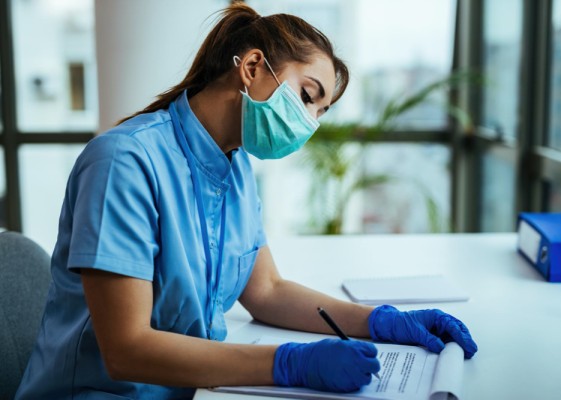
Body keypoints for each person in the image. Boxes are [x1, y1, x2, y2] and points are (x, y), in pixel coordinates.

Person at [16, 3, 478, 399]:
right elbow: (126, 349)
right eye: (307, 96)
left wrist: (380, 321)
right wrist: (287, 364)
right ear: (252, 67)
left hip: (197, 390)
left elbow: (267, 291)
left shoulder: (233, 165)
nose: (310, 124)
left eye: (319, 113)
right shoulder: (124, 162)